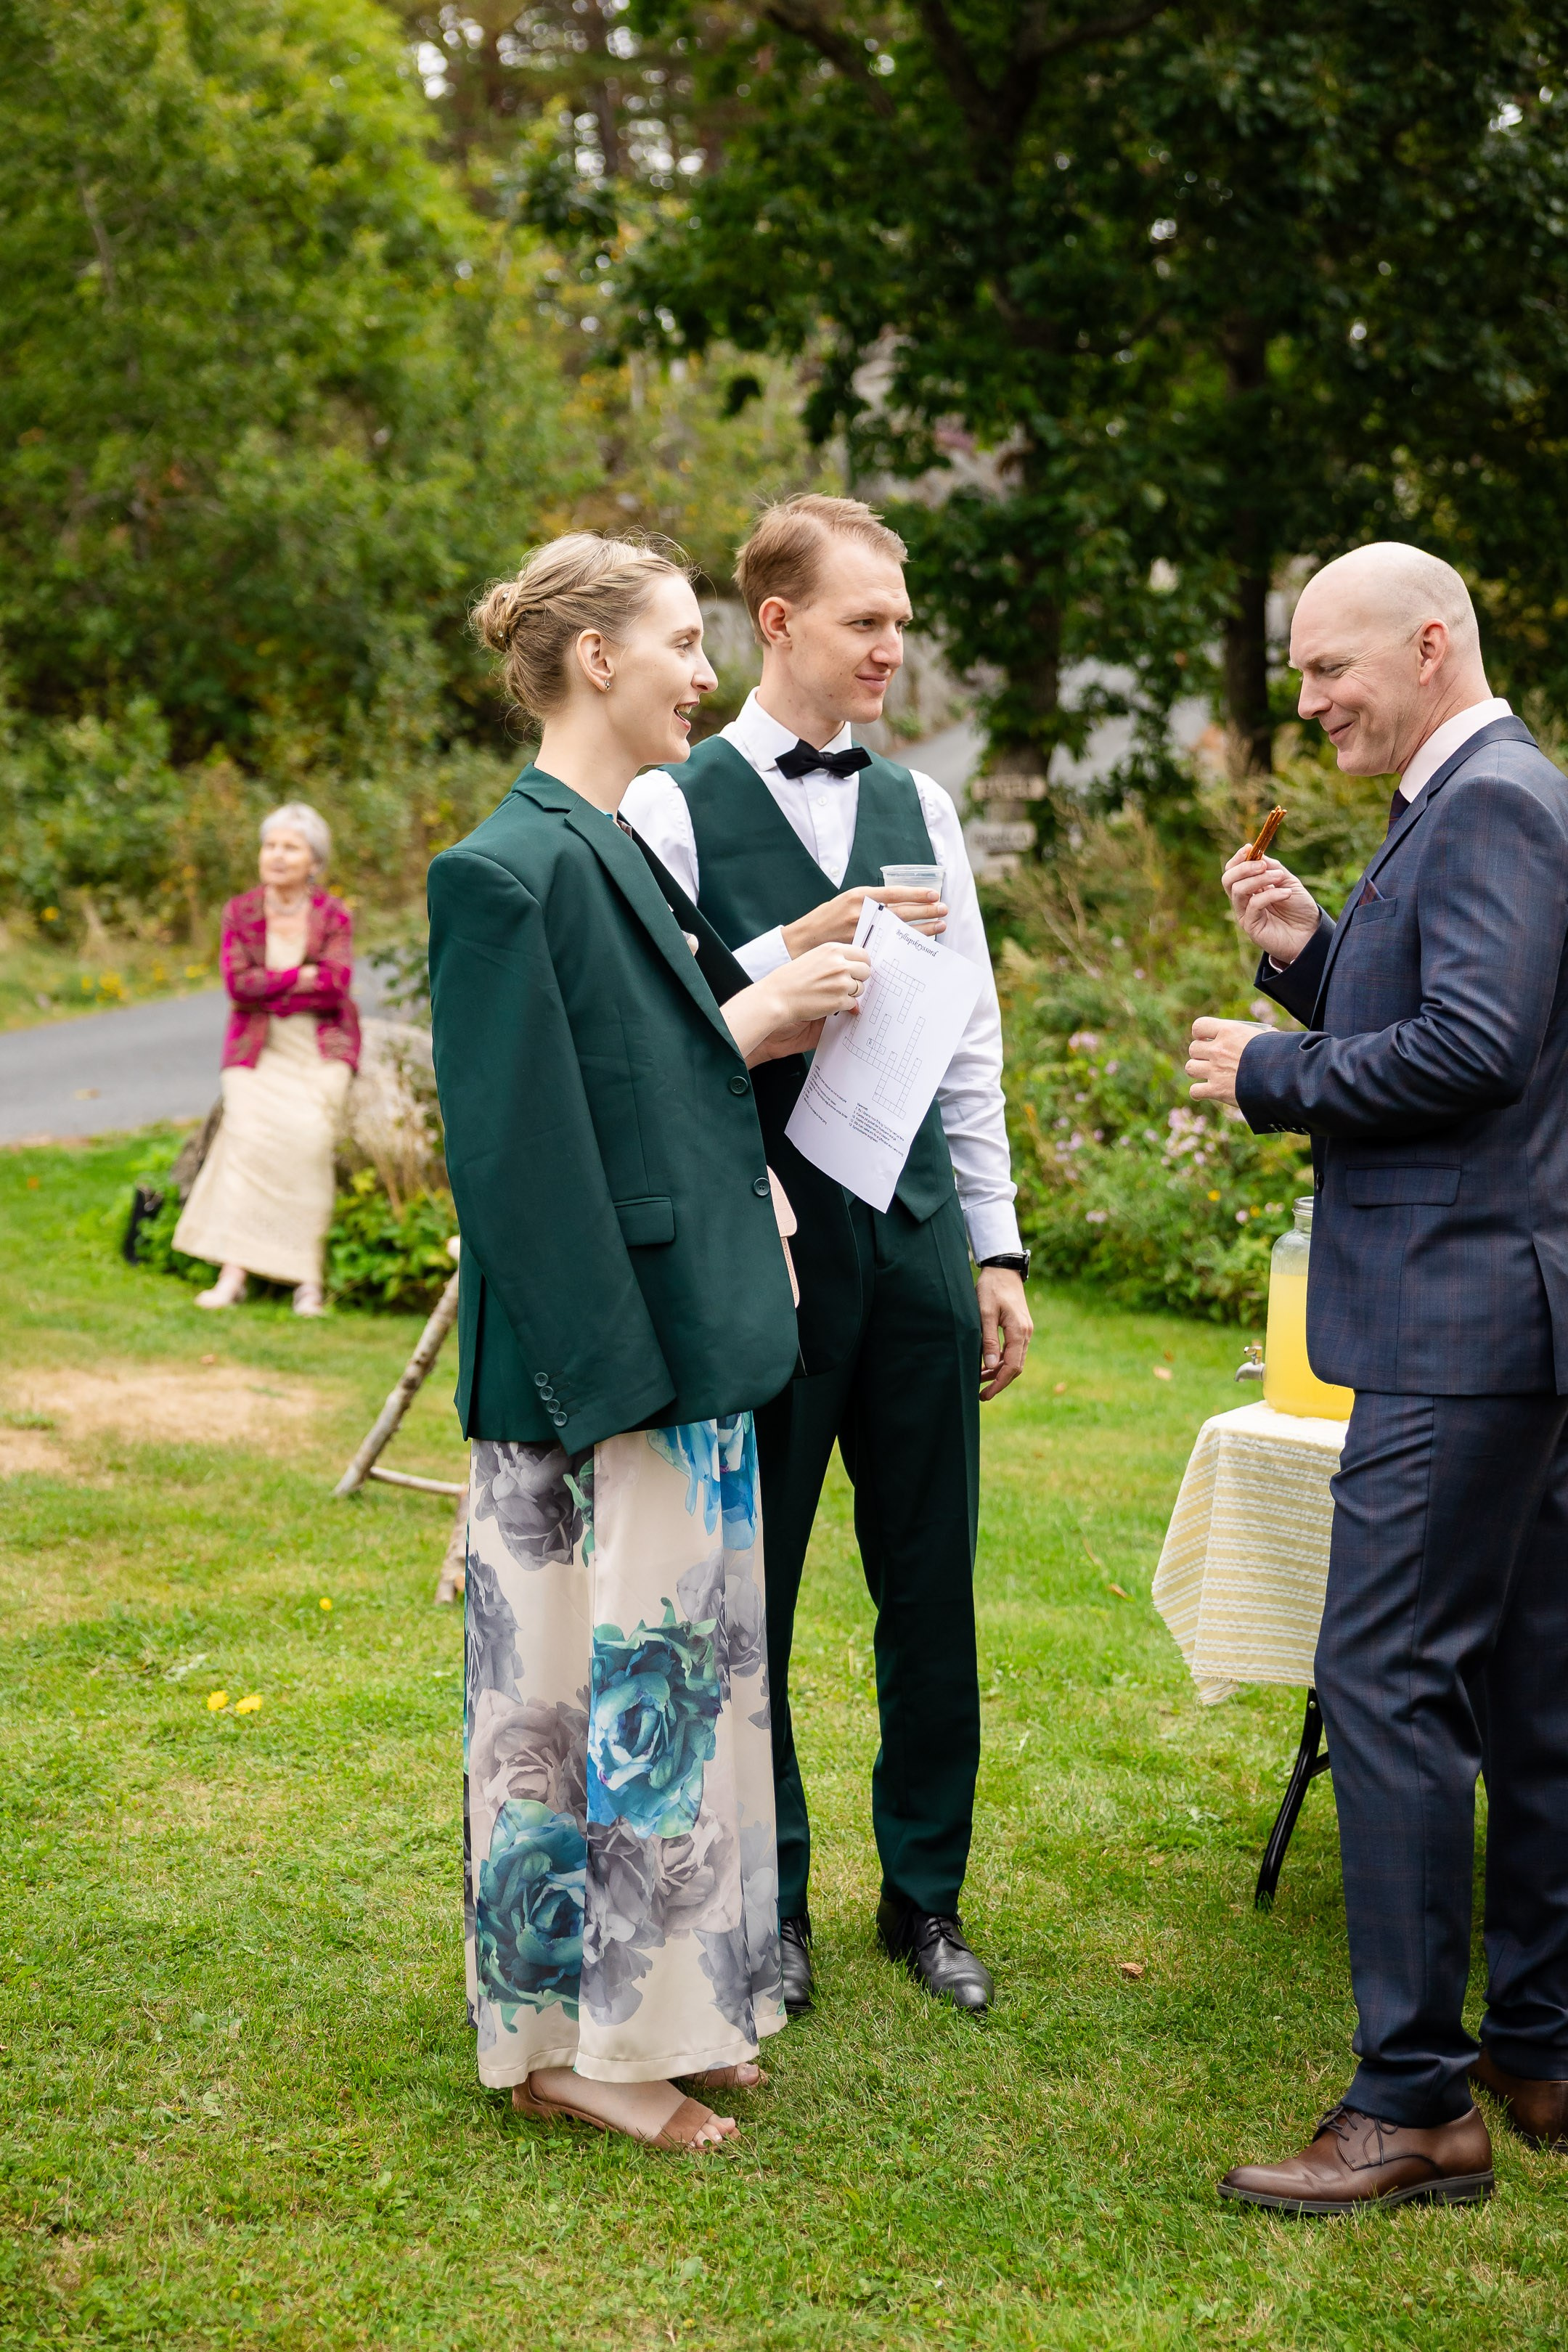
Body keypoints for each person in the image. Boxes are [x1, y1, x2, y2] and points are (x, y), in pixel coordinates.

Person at [429, 531, 872, 2152]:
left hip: (689, 1361)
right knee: (578, 1707)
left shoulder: (618, 843)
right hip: (599, 1386)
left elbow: (673, 1080)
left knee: (671, 1710)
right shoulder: (505, 868)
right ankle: (581, 2048)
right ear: (596, 660)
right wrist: (622, 1404)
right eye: (683, 642)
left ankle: (661, 2010)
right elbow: (524, 1171)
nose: (707, 670)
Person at [1188, 540, 1568, 2213]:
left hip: (1455, 1319)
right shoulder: (1474, 795)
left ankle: (1411, 2098)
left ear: (1428, 643)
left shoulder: (1487, 797)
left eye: (1328, 664)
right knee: (1522, 1688)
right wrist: (1308, 949)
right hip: (1505, 1312)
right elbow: (1468, 1016)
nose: (1308, 694)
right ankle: (1538, 2040)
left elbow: (1473, 1054)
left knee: (1383, 1677)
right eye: (1296, 669)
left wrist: (1273, 1066)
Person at [622, 494, 1034, 2018]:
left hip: (917, 1237)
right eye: (867, 621)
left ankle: (925, 1900)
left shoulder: (924, 809)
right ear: (776, 622)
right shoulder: (669, 807)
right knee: (758, 1592)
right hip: (764, 1250)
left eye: (901, 624)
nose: (892, 649)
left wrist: (994, 1250)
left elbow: (972, 1038)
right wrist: (791, 948)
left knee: (932, 1587)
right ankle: (773, 1903)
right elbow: (655, 1024)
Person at [174, 804, 360, 1315]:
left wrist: (273, 987)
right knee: (247, 1138)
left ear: (314, 861)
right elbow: (239, 986)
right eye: (271, 846)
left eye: (290, 847)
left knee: (313, 1140)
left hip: (321, 1048)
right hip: (256, 1051)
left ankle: (307, 1278)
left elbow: (334, 986)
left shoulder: (334, 914)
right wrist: (298, 977)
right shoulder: (240, 911)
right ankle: (234, 1273)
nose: (277, 856)